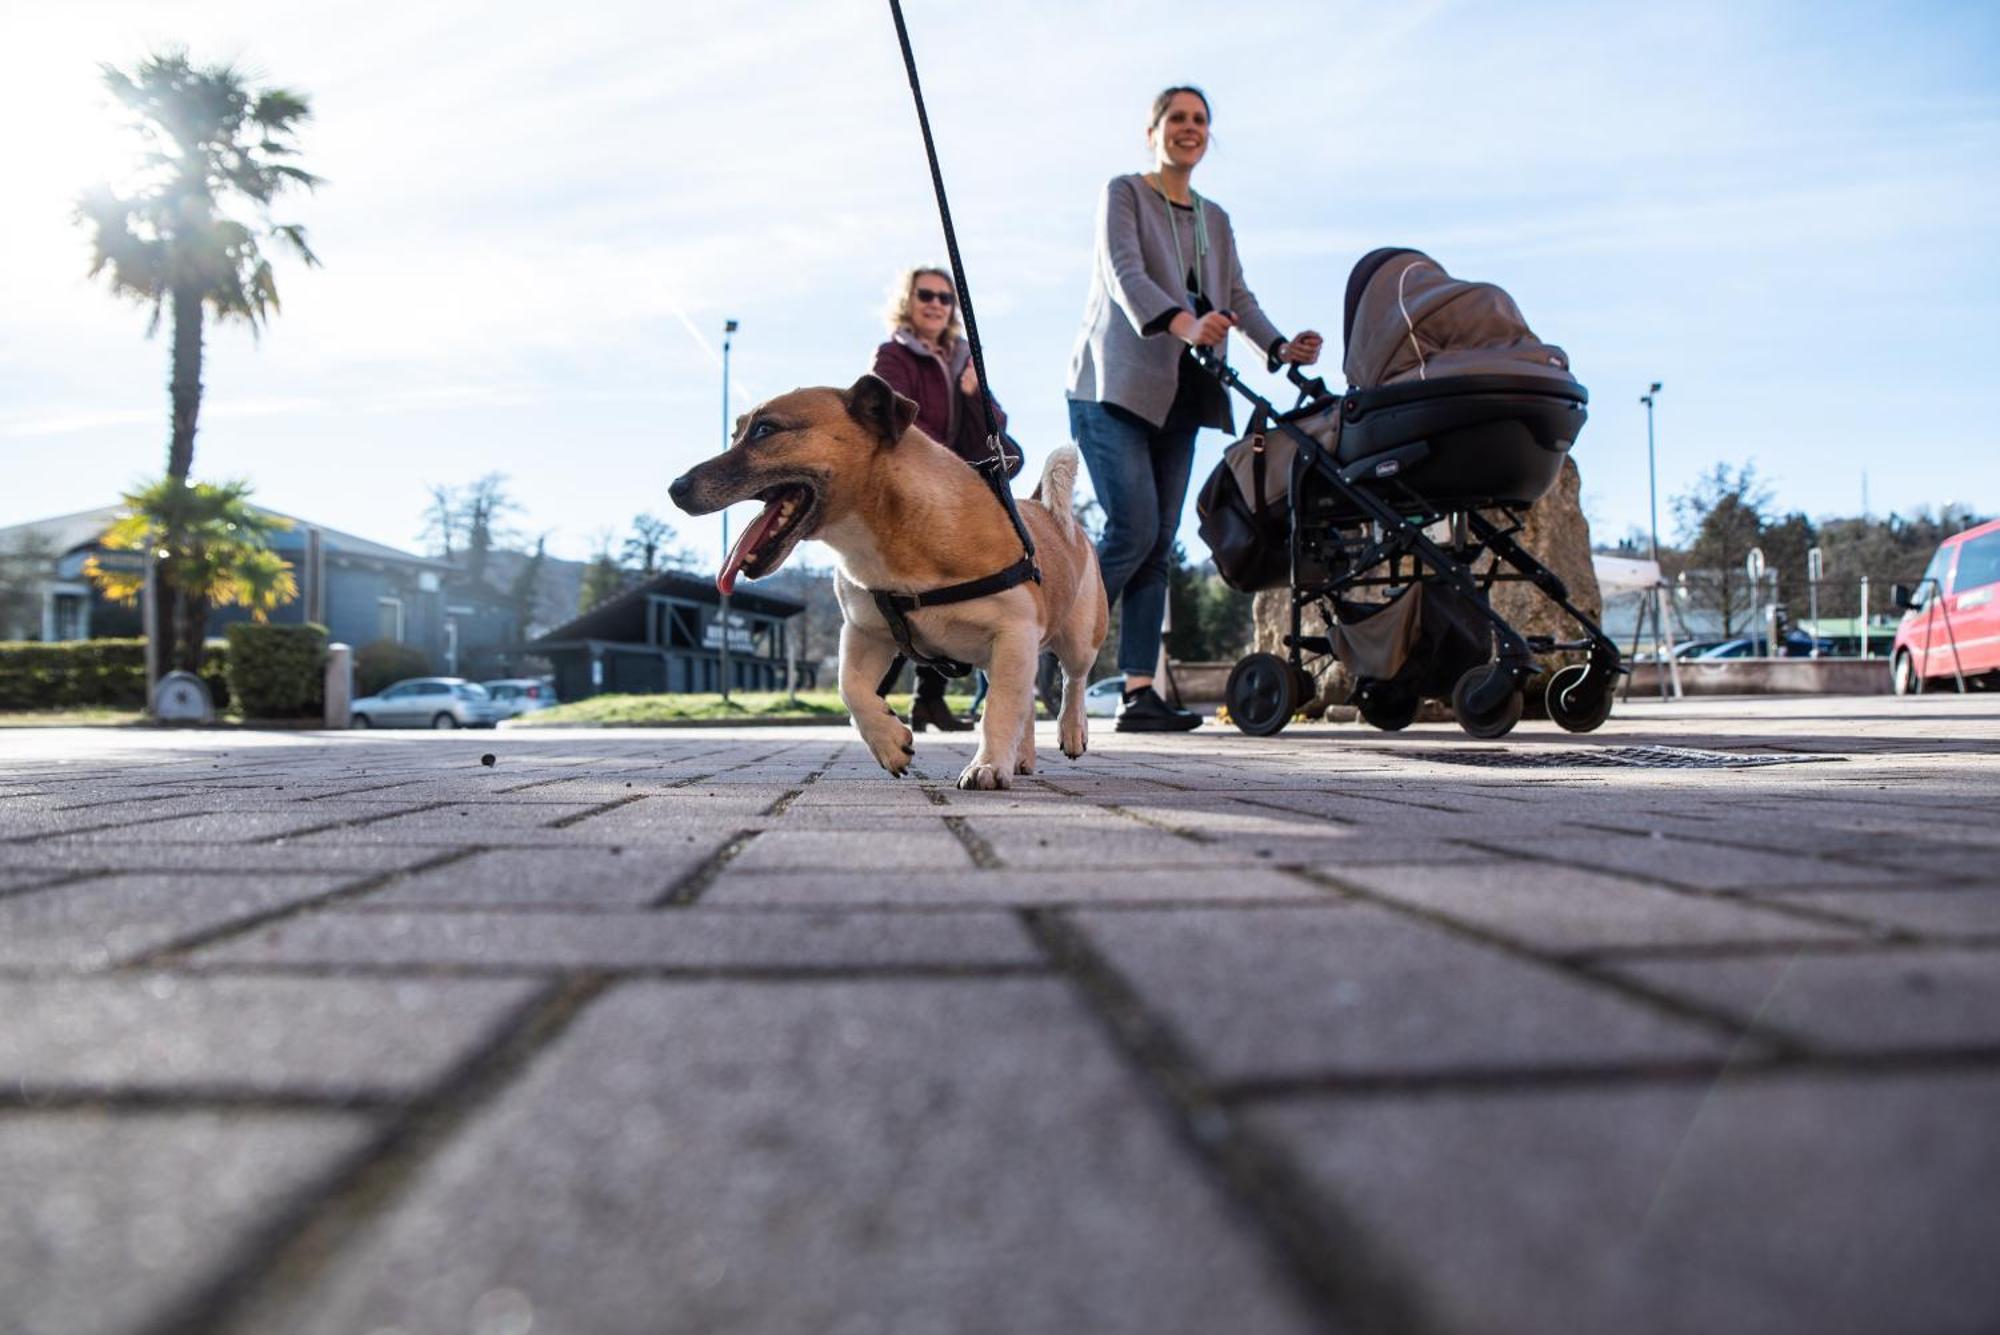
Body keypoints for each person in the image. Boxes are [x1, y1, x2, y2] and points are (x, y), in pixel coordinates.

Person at [1067, 86, 1322, 731]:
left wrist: (1280, 347)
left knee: (1156, 545)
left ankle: (1137, 694)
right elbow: (1126, 274)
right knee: (1133, 529)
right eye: (1177, 118)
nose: (1190, 128)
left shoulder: (1215, 219)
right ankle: (1043, 633)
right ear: (1152, 130)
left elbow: (1237, 295)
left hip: (1180, 397)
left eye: (1200, 120)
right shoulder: (1124, 192)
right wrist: (1184, 322)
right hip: (1114, 387)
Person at [871, 265, 1021, 732]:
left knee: (949, 592)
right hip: (909, 488)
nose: (936, 303)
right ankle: (874, 696)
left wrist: (976, 394)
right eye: (926, 295)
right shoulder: (893, 356)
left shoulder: (963, 358)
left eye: (944, 297)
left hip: (955, 492)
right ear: (909, 302)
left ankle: (928, 700)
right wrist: (941, 465)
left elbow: (995, 431)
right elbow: (895, 422)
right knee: (904, 595)